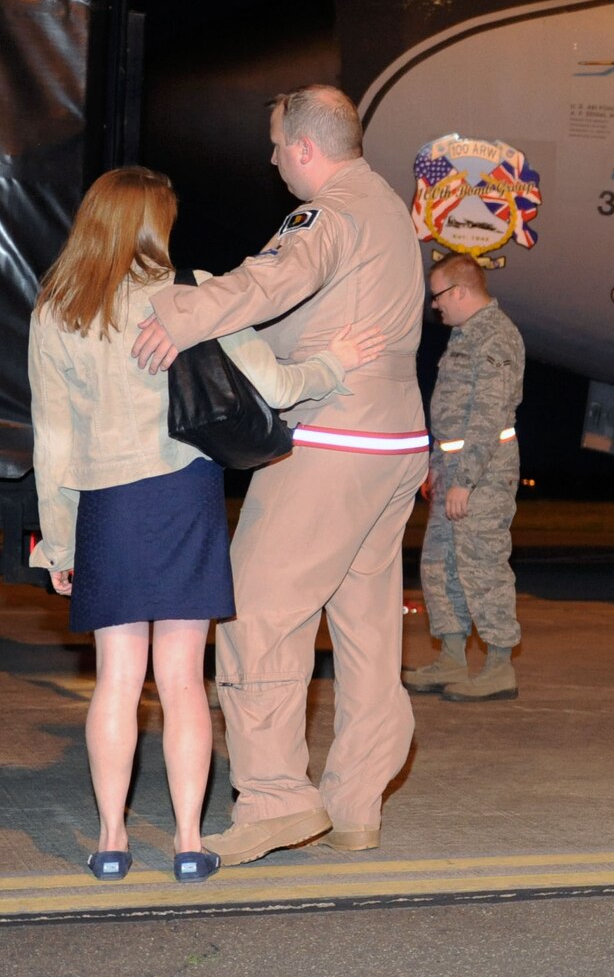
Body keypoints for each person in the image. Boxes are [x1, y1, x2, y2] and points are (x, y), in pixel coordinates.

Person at [28, 167, 382, 883]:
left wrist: (58, 539)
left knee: (117, 682)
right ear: (155, 224)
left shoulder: (57, 308)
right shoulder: (192, 289)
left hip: (107, 504)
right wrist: (335, 364)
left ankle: (110, 839)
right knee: (185, 680)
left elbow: (53, 440)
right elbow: (277, 387)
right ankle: (189, 841)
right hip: (184, 499)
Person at [132, 85, 428, 866]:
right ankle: (355, 802)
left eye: (275, 145)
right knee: (366, 629)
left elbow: (272, 281)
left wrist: (178, 311)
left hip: (333, 439)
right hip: (396, 439)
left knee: (256, 609)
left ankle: (273, 801)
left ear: (304, 148)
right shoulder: (391, 207)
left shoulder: (325, 214)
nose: (270, 159)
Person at [403, 255, 527, 702]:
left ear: (459, 290)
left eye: (437, 296)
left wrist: (466, 481)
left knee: (481, 564)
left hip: (484, 471)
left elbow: (488, 416)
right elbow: (453, 415)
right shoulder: (463, 335)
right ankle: (452, 657)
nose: (435, 306)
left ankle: (498, 667)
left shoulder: (495, 335)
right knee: (440, 564)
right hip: (453, 468)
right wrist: (437, 470)